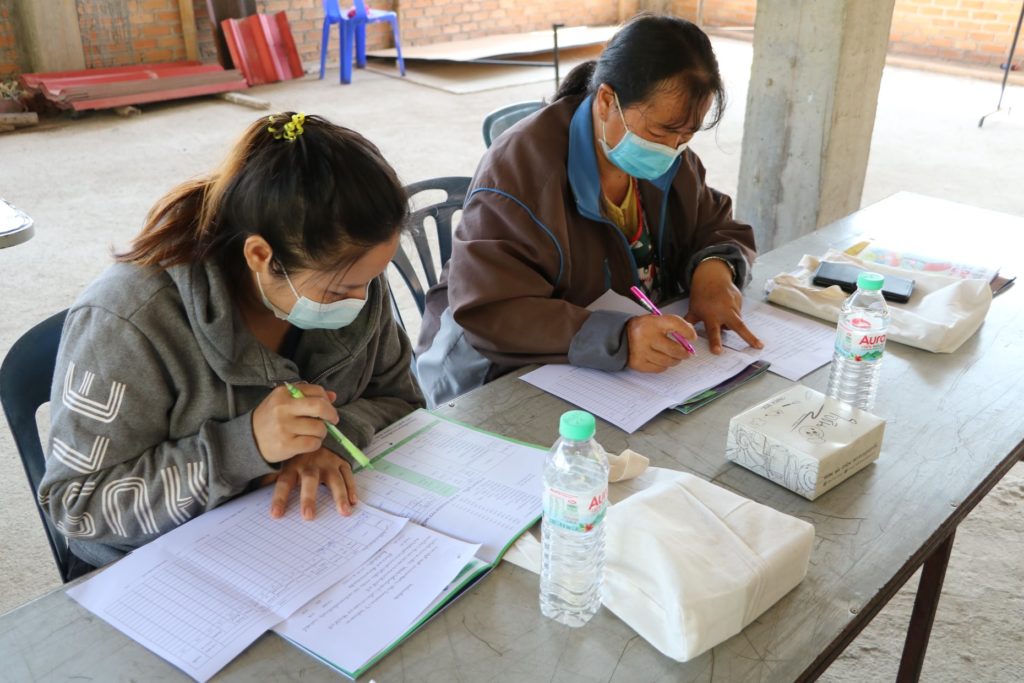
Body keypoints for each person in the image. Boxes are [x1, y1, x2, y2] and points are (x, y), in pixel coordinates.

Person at [38, 112, 424, 568]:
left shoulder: (352, 275)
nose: (364, 301)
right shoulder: (129, 320)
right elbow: (77, 505)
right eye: (340, 291)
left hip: (304, 538)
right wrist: (245, 447)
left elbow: (403, 401)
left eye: (372, 280)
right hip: (153, 565)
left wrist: (325, 443)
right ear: (260, 255)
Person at [416, 15, 763, 407]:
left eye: (687, 134)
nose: (673, 149)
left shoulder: (669, 158)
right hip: (496, 376)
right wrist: (620, 338)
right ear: (605, 101)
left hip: (610, 376)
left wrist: (715, 274)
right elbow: (492, 311)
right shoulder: (519, 174)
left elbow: (715, 222)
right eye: (661, 132)